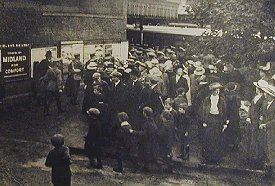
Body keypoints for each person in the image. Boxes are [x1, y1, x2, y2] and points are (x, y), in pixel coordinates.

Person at [200, 82, 227, 164]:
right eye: (216, 90)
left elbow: (225, 111)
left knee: (217, 139)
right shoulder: (207, 99)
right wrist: (204, 121)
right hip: (210, 119)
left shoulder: (222, 100)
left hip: (218, 120)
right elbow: (203, 111)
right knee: (208, 138)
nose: (217, 91)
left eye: (218, 90)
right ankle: (207, 157)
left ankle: (216, 158)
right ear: (212, 91)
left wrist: (225, 123)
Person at [259, 83, 275, 179]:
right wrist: (261, 120)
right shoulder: (265, 103)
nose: (265, 95)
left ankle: (272, 172)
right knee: (265, 148)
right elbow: (262, 114)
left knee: (271, 150)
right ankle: (267, 171)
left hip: (272, 131)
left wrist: (266, 124)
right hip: (264, 130)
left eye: (266, 93)